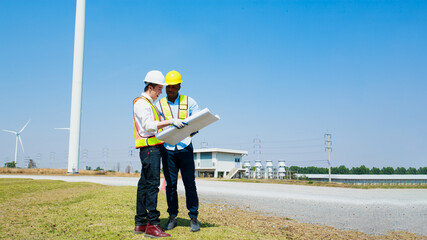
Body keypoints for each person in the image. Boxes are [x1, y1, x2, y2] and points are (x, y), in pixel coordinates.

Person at [133, 70, 186, 238]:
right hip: (150, 149)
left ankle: (140, 223)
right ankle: (153, 225)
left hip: (150, 148)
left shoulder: (149, 103)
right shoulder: (142, 103)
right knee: (152, 186)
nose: (161, 92)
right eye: (159, 89)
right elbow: (149, 126)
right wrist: (170, 122)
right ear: (150, 87)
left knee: (144, 185)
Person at [156, 70, 201, 232]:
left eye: (173, 87)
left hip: (185, 147)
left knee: (190, 184)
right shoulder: (159, 105)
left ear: (179, 86)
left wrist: (192, 130)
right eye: (168, 87)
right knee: (171, 186)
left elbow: (198, 122)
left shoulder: (190, 102)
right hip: (167, 149)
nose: (170, 90)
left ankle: (194, 217)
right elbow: (156, 126)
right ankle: (172, 216)